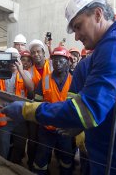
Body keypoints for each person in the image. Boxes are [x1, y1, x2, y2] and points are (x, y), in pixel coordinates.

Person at [0, 0, 116, 174]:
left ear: (97, 14)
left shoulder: (115, 47)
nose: (77, 36)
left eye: (78, 27)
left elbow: (87, 110)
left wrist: (27, 110)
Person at [33, 46, 73, 175]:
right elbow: (36, 104)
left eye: (61, 60)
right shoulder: (44, 81)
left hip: (66, 129)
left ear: (67, 61)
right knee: (41, 158)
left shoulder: (74, 81)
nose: (57, 63)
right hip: (47, 129)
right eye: (55, 60)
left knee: (66, 158)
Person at [0, 47, 34, 159]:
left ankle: (15, 163)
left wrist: (20, 70)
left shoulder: (25, 73)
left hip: (20, 116)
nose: (12, 63)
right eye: (10, 60)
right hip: (4, 117)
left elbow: (31, 89)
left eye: (15, 59)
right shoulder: (0, 73)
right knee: (2, 146)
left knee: (20, 146)